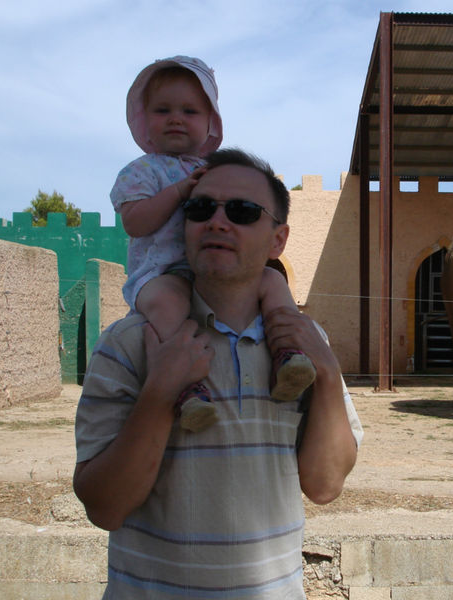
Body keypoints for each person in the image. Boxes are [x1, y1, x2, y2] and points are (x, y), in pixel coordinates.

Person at [74, 148, 363, 599]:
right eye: (200, 208)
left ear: (278, 240)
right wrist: (159, 395)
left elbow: (325, 485)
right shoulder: (128, 343)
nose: (217, 222)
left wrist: (325, 373)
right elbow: (104, 507)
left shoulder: (304, 345)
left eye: (243, 211)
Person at [111, 56, 315, 432]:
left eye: (189, 110)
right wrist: (178, 193)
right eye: (163, 110)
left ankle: (289, 352)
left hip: (209, 275)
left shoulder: (211, 170)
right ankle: (189, 390)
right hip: (162, 272)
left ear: (210, 124)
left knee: (272, 281)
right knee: (170, 305)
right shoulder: (142, 171)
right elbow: (135, 223)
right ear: (144, 120)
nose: (176, 118)